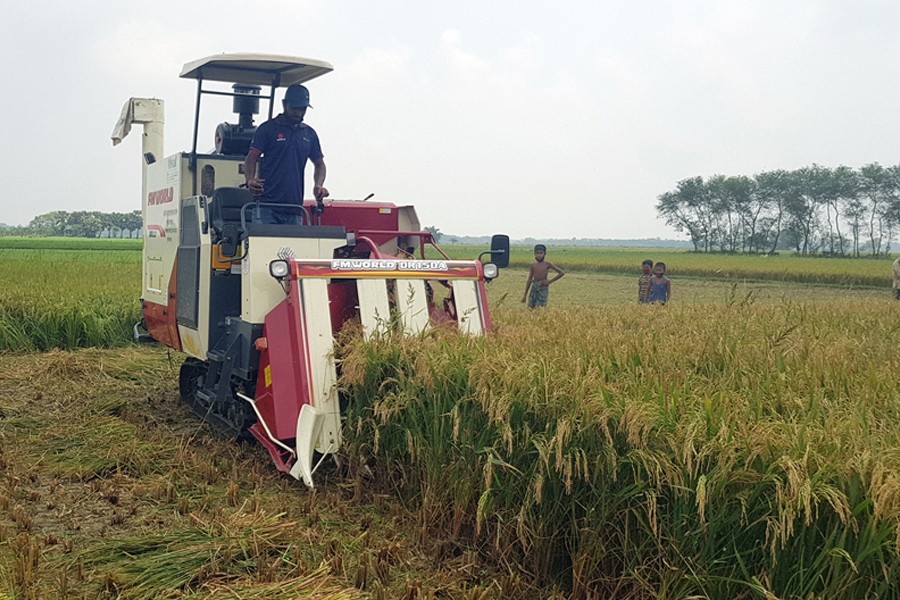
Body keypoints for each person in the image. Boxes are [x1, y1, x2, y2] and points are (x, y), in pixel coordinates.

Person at [243, 84, 329, 224]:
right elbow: (251, 158)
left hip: (294, 209)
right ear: (284, 104)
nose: (298, 113)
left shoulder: (310, 134)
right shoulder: (267, 129)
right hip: (266, 207)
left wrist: (318, 185)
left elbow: (320, 164)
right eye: (295, 108)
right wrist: (250, 179)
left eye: (302, 109)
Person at [521, 244, 565, 309]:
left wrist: (549, 282)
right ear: (534, 254)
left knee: (540, 307)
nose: (539, 255)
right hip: (534, 286)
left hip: (543, 287)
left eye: (541, 253)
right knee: (531, 307)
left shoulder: (547, 264)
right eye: (537, 253)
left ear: (544, 254)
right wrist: (525, 295)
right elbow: (529, 279)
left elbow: (561, 273)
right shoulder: (533, 265)